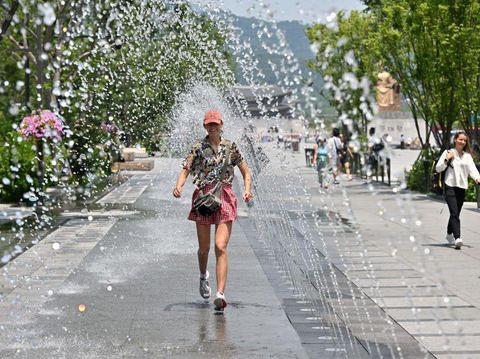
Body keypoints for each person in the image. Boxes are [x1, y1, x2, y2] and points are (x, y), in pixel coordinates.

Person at [173, 110, 253, 310]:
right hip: (203, 198)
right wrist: (179, 186)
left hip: (225, 196)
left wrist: (247, 190)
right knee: (204, 249)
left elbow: (246, 171)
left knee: (220, 246)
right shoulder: (198, 147)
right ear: (205, 126)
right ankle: (203, 276)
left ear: (221, 124)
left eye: (215, 124)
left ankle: (220, 293)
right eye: (209, 124)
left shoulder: (230, 147)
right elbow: (186, 169)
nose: (212, 127)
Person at [435, 131, 480, 249]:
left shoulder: (467, 156)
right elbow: (438, 168)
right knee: (454, 213)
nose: (462, 142)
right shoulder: (448, 152)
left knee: (455, 213)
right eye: (460, 139)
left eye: (464, 140)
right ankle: (457, 238)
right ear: (455, 140)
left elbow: (473, 170)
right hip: (450, 186)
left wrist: (477, 178)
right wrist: (446, 160)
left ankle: (449, 233)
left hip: (462, 187)